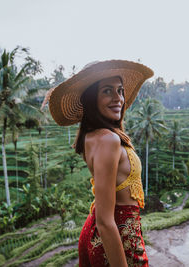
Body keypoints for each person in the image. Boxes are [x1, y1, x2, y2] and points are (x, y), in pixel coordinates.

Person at [42, 60, 153, 266]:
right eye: (107, 91)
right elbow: (105, 219)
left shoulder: (93, 136)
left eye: (120, 90)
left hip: (102, 234)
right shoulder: (108, 140)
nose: (118, 98)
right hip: (115, 237)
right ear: (92, 98)